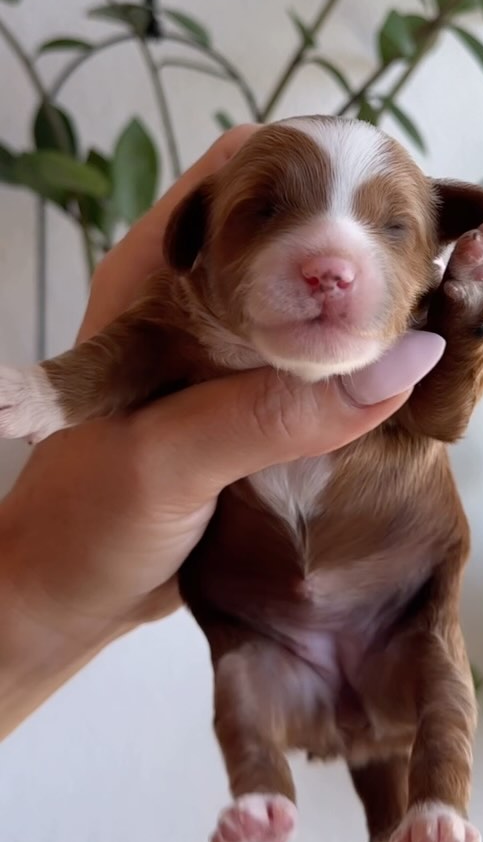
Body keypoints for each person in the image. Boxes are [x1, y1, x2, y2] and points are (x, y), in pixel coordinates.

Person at [0, 125, 443, 740]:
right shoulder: (184, 307)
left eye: (392, 228)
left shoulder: (424, 307)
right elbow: (137, 347)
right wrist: (50, 392)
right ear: (195, 242)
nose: (331, 267)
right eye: (265, 213)